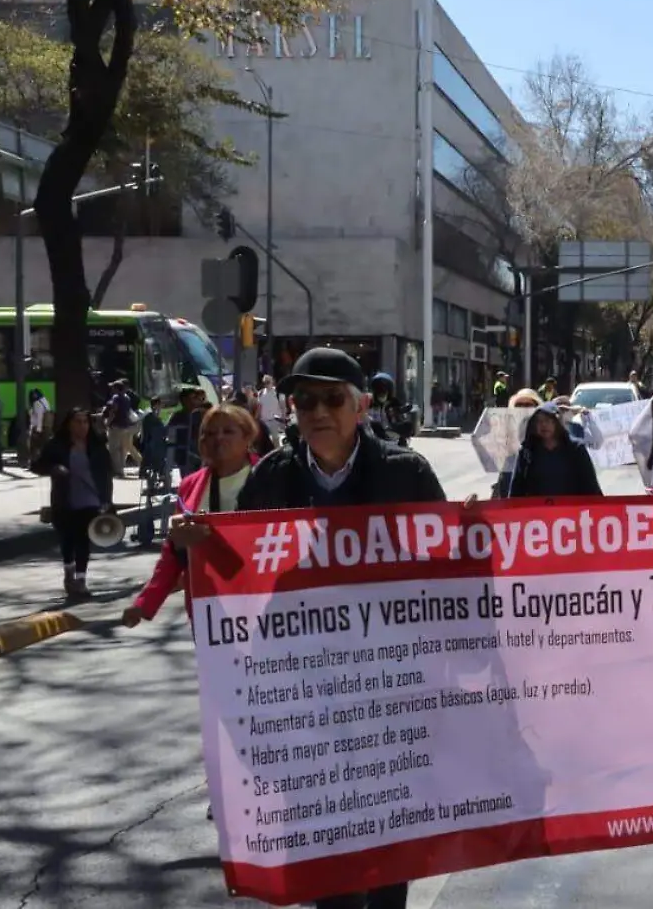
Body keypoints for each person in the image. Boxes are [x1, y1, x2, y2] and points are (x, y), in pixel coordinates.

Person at [184, 347, 443, 909]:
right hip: (307, 689)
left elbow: (447, 573)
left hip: (389, 686)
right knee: (326, 847)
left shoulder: (407, 473)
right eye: (304, 400)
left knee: (388, 837)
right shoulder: (272, 478)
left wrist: (472, 536)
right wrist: (202, 550)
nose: (317, 411)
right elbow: (241, 573)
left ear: (362, 407)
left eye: (331, 399)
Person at [123, 404, 260, 630]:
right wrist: (144, 603)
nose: (219, 438)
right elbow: (173, 553)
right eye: (211, 433)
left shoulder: (270, 475)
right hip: (208, 609)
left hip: (263, 604)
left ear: (248, 436)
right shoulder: (190, 485)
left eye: (228, 431)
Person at [34, 408, 114, 601]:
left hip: (91, 500)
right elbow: (37, 465)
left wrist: (107, 500)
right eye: (78, 422)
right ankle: (68, 571)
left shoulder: (96, 446)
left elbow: (106, 475)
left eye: (85, 422)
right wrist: (54, 468)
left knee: (83, 540)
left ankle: (81, 580)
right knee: (67, 541)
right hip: (65, 499)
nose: (82, 426)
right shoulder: (57, 445)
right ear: (69, 424)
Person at [498, 401, 603, 499]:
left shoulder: (576, 449)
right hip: (537, 514)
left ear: (557, 423)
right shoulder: (527, 452)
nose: (543, 425)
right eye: (539, 421)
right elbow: (517, 489)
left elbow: (590, 484)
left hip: (570, 513)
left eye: (548, 420)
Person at [104, 378, 142, 478]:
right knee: (122, 449)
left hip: (116, 426)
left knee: (114, 449)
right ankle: (120, 470)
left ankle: (118, 471)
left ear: (117, 388)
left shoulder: (116, 397)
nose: (111, 389)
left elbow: (113, 411)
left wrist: (108, 422)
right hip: (125, 426)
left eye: (113, 387)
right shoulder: (127, 398)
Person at [26, 388, 53, 469]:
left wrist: (38, 430)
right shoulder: (45, 401)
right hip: (47, 428)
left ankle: (33, 464)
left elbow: (39, 418)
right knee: (43, 447)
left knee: (33, 447)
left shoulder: (37, 403)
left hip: (38, 428)